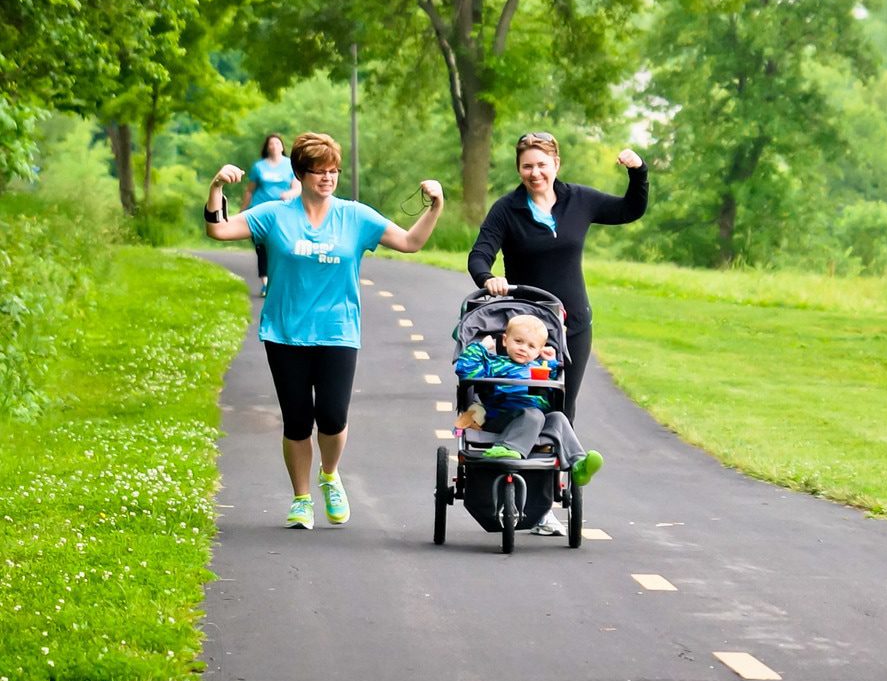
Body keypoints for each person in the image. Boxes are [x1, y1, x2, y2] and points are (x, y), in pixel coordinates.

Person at [204, 131, 444, 530]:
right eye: (318, 171)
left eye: (333, 171)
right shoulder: (276, 215)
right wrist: (216, 188)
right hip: (284, 332)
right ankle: (301, 499)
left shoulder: (356, 216)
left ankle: (329, 475)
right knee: (297, 421)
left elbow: (409, 242)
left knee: (332, 417)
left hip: (337, 331)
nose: (327, 178)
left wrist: (435, 207)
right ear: (300, 174)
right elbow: (219, 230)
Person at [467, 131, 647, 534]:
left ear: (556, 165)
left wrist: (638, 172)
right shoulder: (507, 209)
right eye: (527, 166)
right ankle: (533, 502)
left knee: (562, 406)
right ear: (519, 169)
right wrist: (488, 277)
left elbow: (629, 210)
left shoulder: (578, 201)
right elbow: (480, 252)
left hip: (572, 325)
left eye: (542, 165)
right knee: (530, 402)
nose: (535, 173)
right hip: (528, 329)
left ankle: (546, 500)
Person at [455, 314, 603, 486]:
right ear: (505, 340)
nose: (523, 348)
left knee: (558, 418)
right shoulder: (493, 363)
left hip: (536, 422)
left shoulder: (540, 368)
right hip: (501, 418)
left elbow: (551, 392)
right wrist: (480, 348)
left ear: (539, 351)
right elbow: (466, 370)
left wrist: (552, 363)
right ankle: (508, 447)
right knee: (534, 414)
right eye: (518, 341)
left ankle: (578, 463)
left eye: (531, 346)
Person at [241, 133, 301, 296]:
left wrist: (290, 193)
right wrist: (243, 212)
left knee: (282, 245)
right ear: (267, 148)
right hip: (261, 211)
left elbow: (298, 187)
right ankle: (266, 283)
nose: (274, 146)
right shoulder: (259, 167)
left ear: (282, 146)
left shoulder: (290, 165)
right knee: (262, 247)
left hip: (283, 212)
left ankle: (281, 281)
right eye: (271, 144)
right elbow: (249, 190)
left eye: (277, 143)